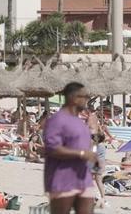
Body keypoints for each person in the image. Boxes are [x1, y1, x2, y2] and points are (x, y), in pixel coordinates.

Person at [43, 82, 98, 214]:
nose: (87, 100)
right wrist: (80, 153)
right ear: (74, 98)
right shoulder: (57, 120)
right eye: (85, 97)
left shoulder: (79, 122)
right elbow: (52, 148)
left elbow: (84, 146)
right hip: (62, 179)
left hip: (84, 178)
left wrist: (93, 152)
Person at [91, 133, 108, 209]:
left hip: (97, 164)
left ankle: (97, 197)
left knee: (95, 181)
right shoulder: (101, 145)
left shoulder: (98, 146)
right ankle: (102, 197)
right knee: (98, 181)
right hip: (100, 164)